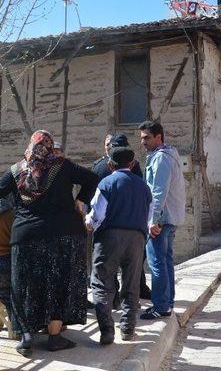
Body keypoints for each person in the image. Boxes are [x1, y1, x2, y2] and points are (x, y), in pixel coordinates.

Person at [0, 130, 98, 356]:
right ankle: (54, 337)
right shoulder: (62, 166)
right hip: (63, 234)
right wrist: (81, 200)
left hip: (27, 235)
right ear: (48, 146)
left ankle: (26, 335)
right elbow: (92, 179)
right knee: (58, 282)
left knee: (24, 285)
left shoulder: (17, 170)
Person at [86, 147, 152, 344]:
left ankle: (107, 329)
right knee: (131, 285)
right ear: (132, 164)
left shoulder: (106, 183)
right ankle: (128, 330)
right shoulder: (144, 186)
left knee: (100, 283)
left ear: (110, 164)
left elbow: (97, 215)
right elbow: (149, 216)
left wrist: (88, 223)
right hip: (137, 240)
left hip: (109, 238)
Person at [138, 121, 186, 320]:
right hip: (169, 218)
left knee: (157, 263)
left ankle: (161, 306)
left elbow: (158, 192)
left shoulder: (161, 159)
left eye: (147, 138)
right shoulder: (170, 155)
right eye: (141, 138)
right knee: (165, 262)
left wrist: (152, 220)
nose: (143, 142)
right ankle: (167, 302)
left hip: (161, 220)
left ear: (159, 137)